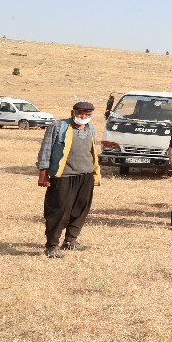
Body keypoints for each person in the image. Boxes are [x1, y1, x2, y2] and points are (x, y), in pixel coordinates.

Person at [36, 101, 100, 257]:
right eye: (80, 114)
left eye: (87, 114)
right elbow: (45, 148)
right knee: (59, 210)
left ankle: (70, 240)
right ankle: (51, 245)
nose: (83, 117)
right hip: (63, 175)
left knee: (81, 209)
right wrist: (43, 172)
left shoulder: (91, 129)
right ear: (73, 113)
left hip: (85, 175)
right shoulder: (58, 126)